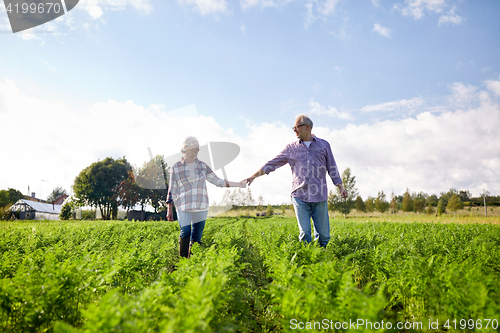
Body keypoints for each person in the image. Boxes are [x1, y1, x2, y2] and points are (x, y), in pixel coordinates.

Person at [246, 114, 347, 247]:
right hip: (300, 195)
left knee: (323, 235)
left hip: (319, 195)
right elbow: (272, 163)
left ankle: (321, 260)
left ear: (307, 127)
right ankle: (306, 261)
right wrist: (253, 176)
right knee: (305, 233)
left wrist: (340, 186)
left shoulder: (324, 145)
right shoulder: (291, 148)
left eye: (296, 127)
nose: (294, 130)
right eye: (293, 128)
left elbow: (332, 167)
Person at [167, 136, 246, 258]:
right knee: (185, 232)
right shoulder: (176, 167)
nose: (198, 149)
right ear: (186, 147)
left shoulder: (203, 166)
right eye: (195, 145)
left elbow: (218, 181)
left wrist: (238, 184)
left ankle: (192, 263)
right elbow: (172, 189)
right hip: (183, 206)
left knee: (196, 237)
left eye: (199, 146)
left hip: (201, 207)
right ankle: (183, 263)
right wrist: (169, 208)